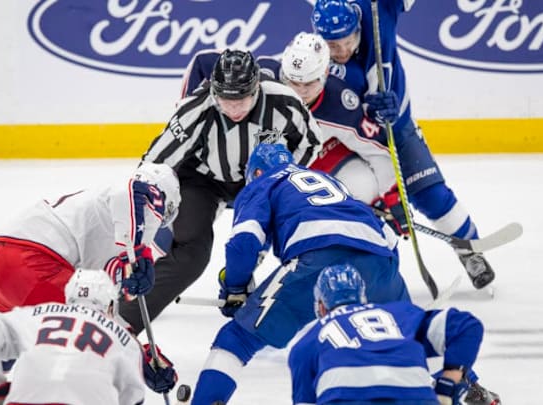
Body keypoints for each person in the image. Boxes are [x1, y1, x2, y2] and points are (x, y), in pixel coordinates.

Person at [118, 49, 323, 334]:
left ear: (256, 89)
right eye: (226, 99)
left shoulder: (283, 102)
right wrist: (137, 230)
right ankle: (123, 320)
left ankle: (265, 287)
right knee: (191, 252)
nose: (234, 108)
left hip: (261, 178)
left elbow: (312, 142)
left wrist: (284, 177)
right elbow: (152, 166)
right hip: (203, 180)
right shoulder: (195, 109)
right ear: (214, 91)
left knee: (287, 229)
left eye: (242, 99)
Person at [189, 143, 408, 405]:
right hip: (381, 261)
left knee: (236, 339)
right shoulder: (329, 181)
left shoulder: (262, 184)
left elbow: (245, 242)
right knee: (414, 336)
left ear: (256, 173)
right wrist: (387, 282)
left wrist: (235, 287)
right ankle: (467, 389)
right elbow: (390, 241)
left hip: (317, 261)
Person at [311, 0, 497, 290]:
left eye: (347, 42)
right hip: (353, 140)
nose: (342, 52)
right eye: (333, 46)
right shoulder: (316, 58)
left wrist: (387, 110)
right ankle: (365, 273)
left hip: (395, 127)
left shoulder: (379, 9)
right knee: (363, 203)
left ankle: (470, 251)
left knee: (431, 194)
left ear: (357, 29)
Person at [180, 33, 396, 205]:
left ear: (324, 75)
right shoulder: (260, 77)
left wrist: (391, 197)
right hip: (246, 166)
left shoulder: (339, 104)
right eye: (292, 82)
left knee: (362, 184)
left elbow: (378, 150)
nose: (300, 92)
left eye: (309, 84)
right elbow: (202, 62)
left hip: (312, 163)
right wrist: (187, 114)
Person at [0, 269, 177, 405]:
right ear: (110, 306)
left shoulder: (38, 314)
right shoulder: (125, 340)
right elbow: (133, 397)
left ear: (67, 297)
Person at [0, 162, 180, 312]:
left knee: (15, 341)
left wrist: (126, 281)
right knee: (91, 332)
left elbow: (96, 287)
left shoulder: (104, 213)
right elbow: (133, 191)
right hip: (33, 264)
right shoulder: (137, 195)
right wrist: (137, 253)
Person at [289, 264, 487, 405]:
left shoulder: (306, 344)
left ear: (321, 307)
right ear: (362, 297)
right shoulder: (400, 313)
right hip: (413, 395)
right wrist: (448, 382)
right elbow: (467, 327)